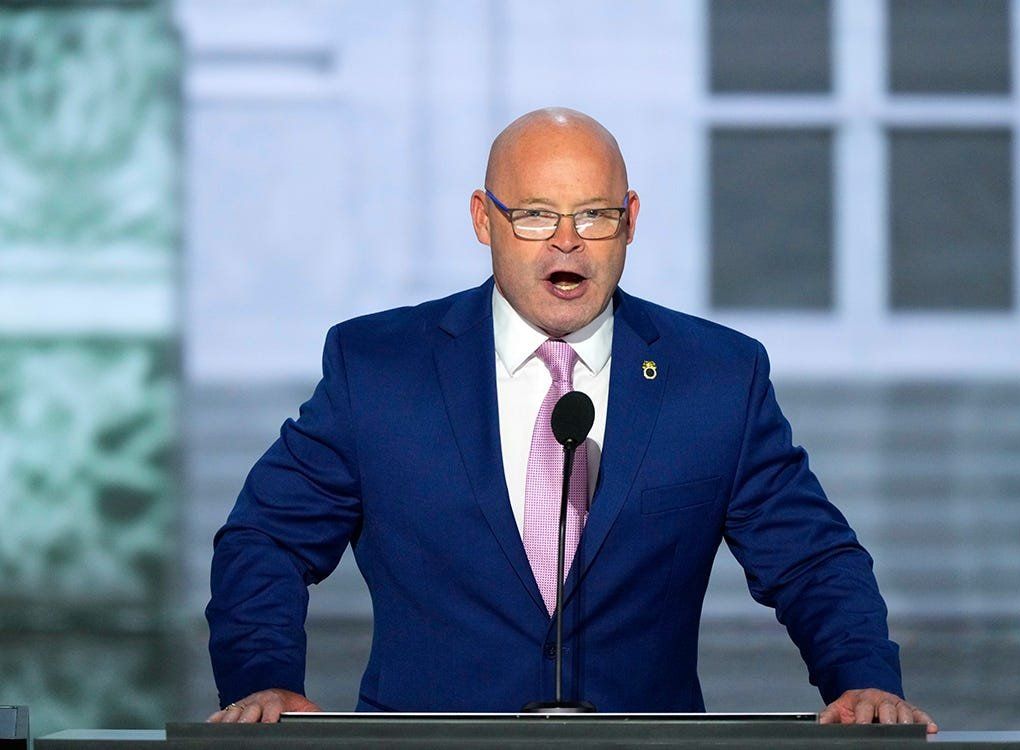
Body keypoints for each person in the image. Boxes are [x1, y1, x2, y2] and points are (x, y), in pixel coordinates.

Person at [206, 107, 937, 731]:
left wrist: (861, 679)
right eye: (533, 216)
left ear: (630, 222)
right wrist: (261, 681)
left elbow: (810, 560)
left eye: (594, 214)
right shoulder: (379, 367)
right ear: (481, 219)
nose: (566, 241)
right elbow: (266, 538)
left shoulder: (715, 377)